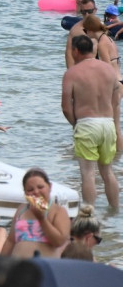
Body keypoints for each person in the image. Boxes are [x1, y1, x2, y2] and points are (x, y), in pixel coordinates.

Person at [61, 34, 121, 207]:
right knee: (107, 171)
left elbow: (66, 107)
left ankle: (89, 214)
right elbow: (116, 98)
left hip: (87, 124)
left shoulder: (72, 73)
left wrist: (76, 125)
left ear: (76, 50)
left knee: (88, 173)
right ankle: (115, 212)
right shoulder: (108, 69)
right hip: (108, 124)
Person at [0, 168, 71, 258]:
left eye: (40, 187)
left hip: (44, 267)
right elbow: (10, 241)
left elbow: (58, 242)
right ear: (25, 193)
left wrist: (42, 219)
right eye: (30, 190)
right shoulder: (22, 209)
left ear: (49, 186)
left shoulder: (58, 211)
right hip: (19, 267)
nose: (36, 192)